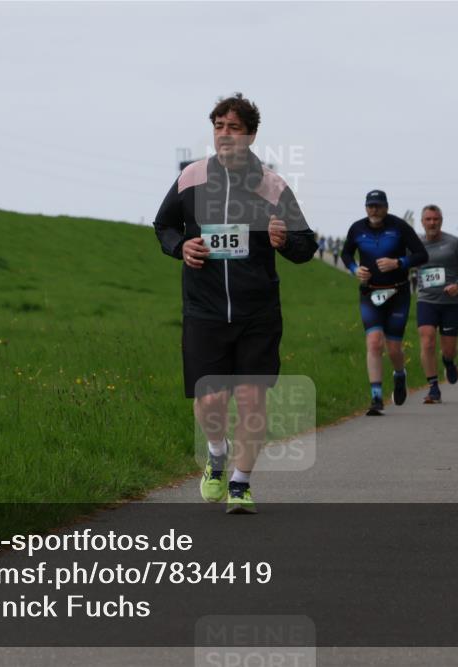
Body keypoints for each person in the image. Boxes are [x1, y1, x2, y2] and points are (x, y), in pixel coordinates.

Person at [153, 93, 317, 514]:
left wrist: (285, 240)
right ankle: (217, 452)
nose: (225, 135)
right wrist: (180, 246)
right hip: (204, 309)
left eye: (234, 128)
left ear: (251, 135)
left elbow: (305, 245)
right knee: (210, 401)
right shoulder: (191, 178)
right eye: (219, 127)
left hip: (256, 313)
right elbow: (164, 225)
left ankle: (240, 483)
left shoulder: (272, 186)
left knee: (249, 399)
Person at [340, 189, 428, 415]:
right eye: (370, 206)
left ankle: (399, 374)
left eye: (378, 206)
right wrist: (354, 269)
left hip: (398, 293)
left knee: (393, 347)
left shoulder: (399, 227)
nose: (374, 210)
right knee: (374, 342)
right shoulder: (357, 228)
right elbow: (346, 254)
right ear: (365, 208)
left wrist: (398, 263)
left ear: (386, 207)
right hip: (370, 293)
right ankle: (376, 398)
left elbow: (421, 255)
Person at [415, 204, 458, 403]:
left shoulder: (453, 243)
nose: (432, 223)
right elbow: (402, 262)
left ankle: (448, 362)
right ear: (422, 222)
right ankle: (433, 387)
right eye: (428, 219)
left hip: (450, 303)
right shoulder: (415, 245)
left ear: (441, 221)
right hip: (426, 300)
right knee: (427, 341)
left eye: (436, 219)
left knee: (448, 350)